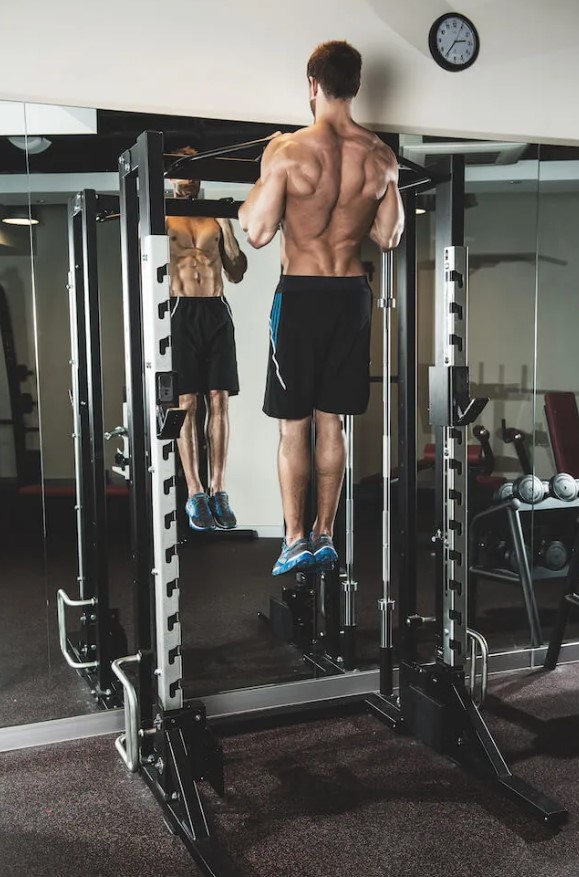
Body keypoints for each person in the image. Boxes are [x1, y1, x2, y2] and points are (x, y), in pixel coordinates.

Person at [238, 41, 404, 575]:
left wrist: (264, 175)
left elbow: (258, 232)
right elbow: (388, 236)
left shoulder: (287, 151)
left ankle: (293, 539)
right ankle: (325, 534)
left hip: (302, 295)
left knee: (294, 426)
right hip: (352, 296)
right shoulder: (380, 156)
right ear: (355, 87)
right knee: (332, 423)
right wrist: (391, 182)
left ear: (312, 86)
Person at [168, 147, 248, 530]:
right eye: (181, 172)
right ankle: (195, 493)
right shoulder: (160, 214)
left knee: (219, 400)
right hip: (180, 311)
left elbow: (237, 271)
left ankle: (219, 489)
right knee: (186, 402)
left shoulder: (214, 215)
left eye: (193, 172)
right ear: (169, 174)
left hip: (216, 310)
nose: (188, 180)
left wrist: (227, 226)